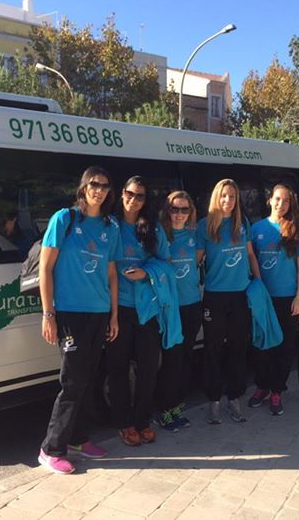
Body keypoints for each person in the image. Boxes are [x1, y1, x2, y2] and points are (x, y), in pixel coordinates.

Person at [37, 166, 120, 475]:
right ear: (84, 187)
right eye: (94, 184)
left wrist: (113, 315)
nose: (99, 190)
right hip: (70, 313)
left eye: (105, 186)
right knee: (72, 382)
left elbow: (111, 274)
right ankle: (50, 448)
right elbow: (45, 269)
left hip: (99, 312)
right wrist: (49, 314)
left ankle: (78, 438)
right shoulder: (65, 219)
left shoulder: (111, 226)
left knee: (88, 378)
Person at [108, 176, 170, 446]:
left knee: (148, 368)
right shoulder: (109, 226)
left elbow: (166, 264)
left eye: (140, 196)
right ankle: (124, 423)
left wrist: (146, 272)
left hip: (147, 308)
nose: (134, 200)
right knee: (118, 368)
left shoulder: (152, 229)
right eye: (130, 193)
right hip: (117, 308)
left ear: (146, 201)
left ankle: (142, 421)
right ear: (122, 194)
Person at [196, 179, 261, 424]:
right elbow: (196, 260)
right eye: (224, 196)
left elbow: (251, 255)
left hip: (240, 295)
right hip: (214, 296)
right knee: (212, 350)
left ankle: (234, 398)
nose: (228, 201)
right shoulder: (204, 226)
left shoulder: (242, 223)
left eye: (232, 197)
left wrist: (259, 282)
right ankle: (213, 401)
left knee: (238, 348)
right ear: (217, 197)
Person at [248, 184, 299, 416]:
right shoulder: (257, 228)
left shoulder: (298, 232)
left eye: (286, 201)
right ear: (269, 200)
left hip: (288, 299)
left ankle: (276, 391)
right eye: (277, 199)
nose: (280, 204)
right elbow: (250, 261)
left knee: (284, 348)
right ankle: (262, 386)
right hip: (262, 298)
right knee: (260, 346)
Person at [154, 191, 201, 432]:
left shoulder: (194, 235)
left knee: (185, 358)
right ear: (167, 210)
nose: (179, 214)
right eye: (175, 209)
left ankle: (176, 408)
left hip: (192, 304)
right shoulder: (160, 235)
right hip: (170, 308)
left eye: (185, 210)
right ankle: (165, 410)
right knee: (171, 360)